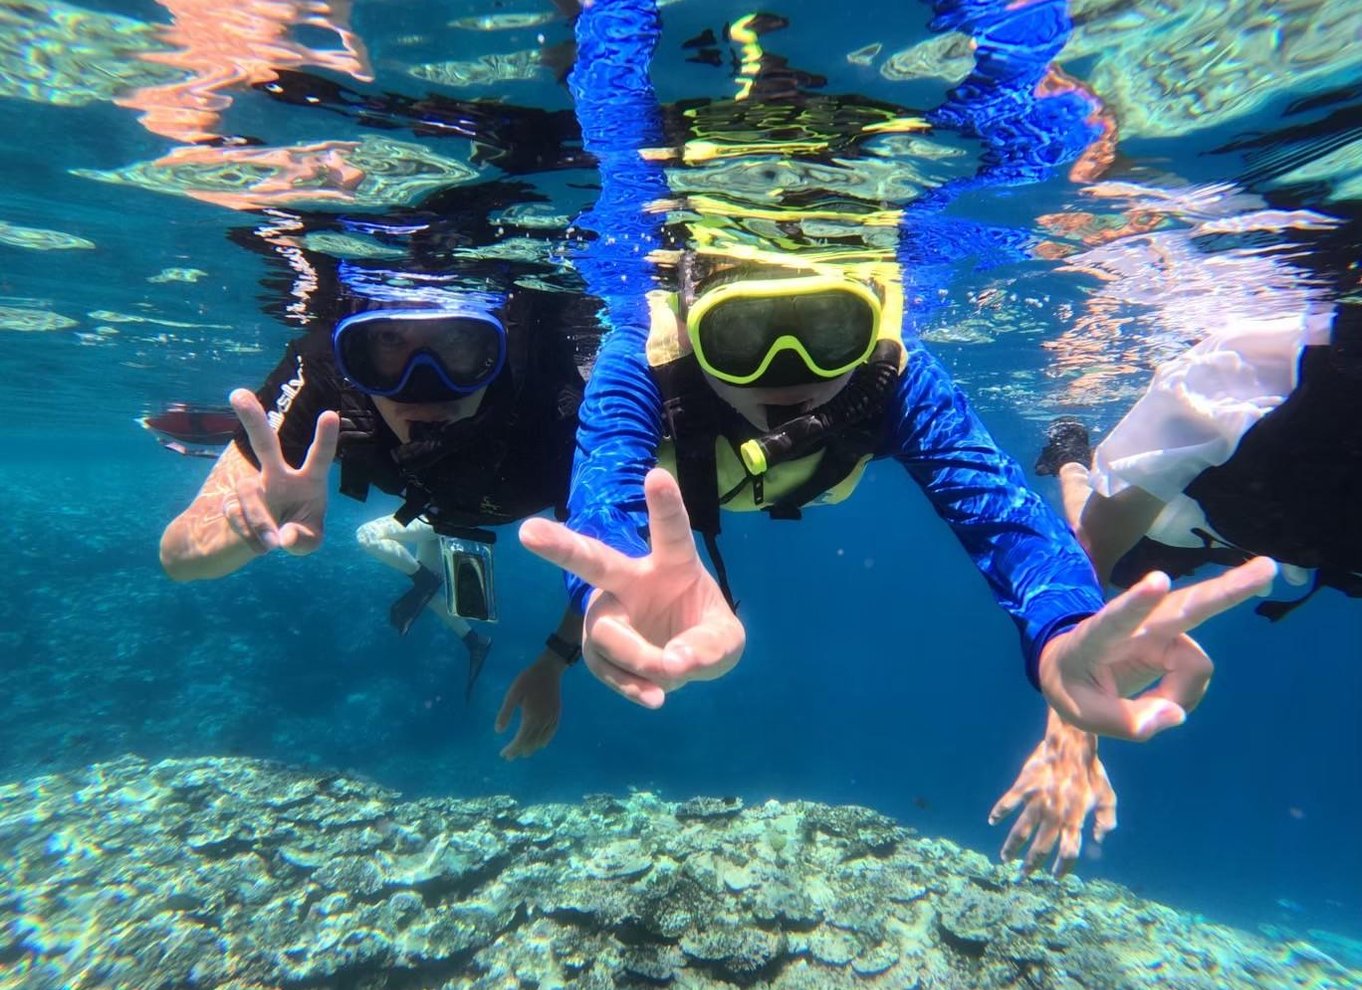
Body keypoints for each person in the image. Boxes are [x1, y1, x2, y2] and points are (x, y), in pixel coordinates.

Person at [517, 0, 1277, 755]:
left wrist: (1066, 625)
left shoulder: (896, 373)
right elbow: (604, 493)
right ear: (688, 323)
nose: (793, 376)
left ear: (874, 316)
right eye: (743, 336)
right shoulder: (645, 362)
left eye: (830, 332)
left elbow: (1002, 515)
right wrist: (600, 597)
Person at [989, 294, 1360, 874]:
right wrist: (1074, 721)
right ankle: (1069, 454)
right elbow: (1092, 552)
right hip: (1178, 520)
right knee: (1095, 535)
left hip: (1284, 537)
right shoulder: (1260, 365)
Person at [158, 271, 594, 759]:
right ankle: (442, 595)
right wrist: (240, 533)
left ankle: (443, 598)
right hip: (434, 513)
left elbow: (610, 557)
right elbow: (179, 558)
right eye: (388, 340)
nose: (425, 381)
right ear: (354, 353)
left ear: (499, 343)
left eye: (458, 340)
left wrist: (555, 662)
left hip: (461, 504)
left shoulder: (557, 407)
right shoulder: (326, 378)